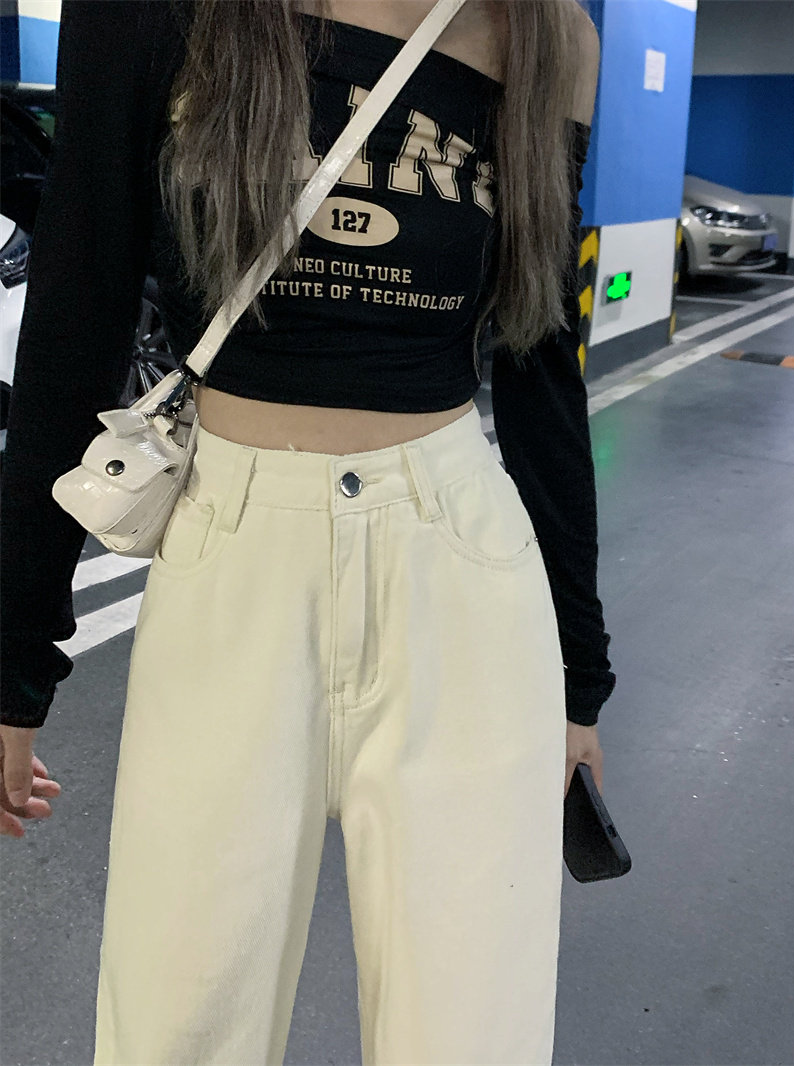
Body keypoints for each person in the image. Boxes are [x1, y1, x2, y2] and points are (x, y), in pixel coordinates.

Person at [0, 0, 614, 1062]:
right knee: (176, 1021)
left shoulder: (541, 31)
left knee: (472, 1030)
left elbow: (539, 356)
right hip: (230, 546)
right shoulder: (154, 12)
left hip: (461, 569)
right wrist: (13, 669)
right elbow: (75, 314)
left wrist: (578, 678)